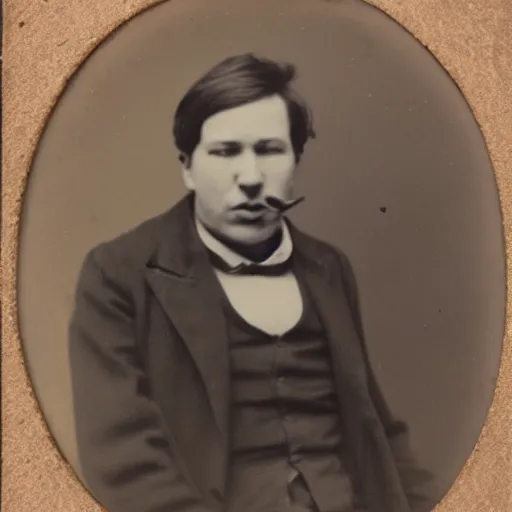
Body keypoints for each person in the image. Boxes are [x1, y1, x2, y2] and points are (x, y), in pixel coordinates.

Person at [68, 53, 433, 512]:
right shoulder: (118, 274)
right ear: (187, 166)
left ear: (295, 160)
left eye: (270, 150)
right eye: (225, 152)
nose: (251, 178)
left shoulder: (328, 268)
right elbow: (124, 465)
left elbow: (376, 431)